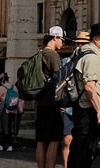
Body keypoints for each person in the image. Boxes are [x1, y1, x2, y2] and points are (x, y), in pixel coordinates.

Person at [69, 23, 100, 168]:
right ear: (95, 38)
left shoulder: (81, 52)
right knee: (85, 151)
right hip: (88, 109)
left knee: (79, 149)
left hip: (82, 108)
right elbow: (89, 86)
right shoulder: (92, 57)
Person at [34, 28, 66, 168]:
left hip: (40, 102)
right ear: (55, 38)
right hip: (51, 102)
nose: (63, 43)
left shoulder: (39, 54)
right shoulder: (53, 56)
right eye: (62, 39)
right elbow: (59, 80)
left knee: (41, 140)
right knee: (54, 139)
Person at [0, 74, 22, 151]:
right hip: (13, 110)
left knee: (4, 128)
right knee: (10, 127)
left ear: (2, 80)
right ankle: (9, 145)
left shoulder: (2, 88)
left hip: (5, 110)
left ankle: (4, 145)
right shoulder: (14, 87)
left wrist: (1, 99)